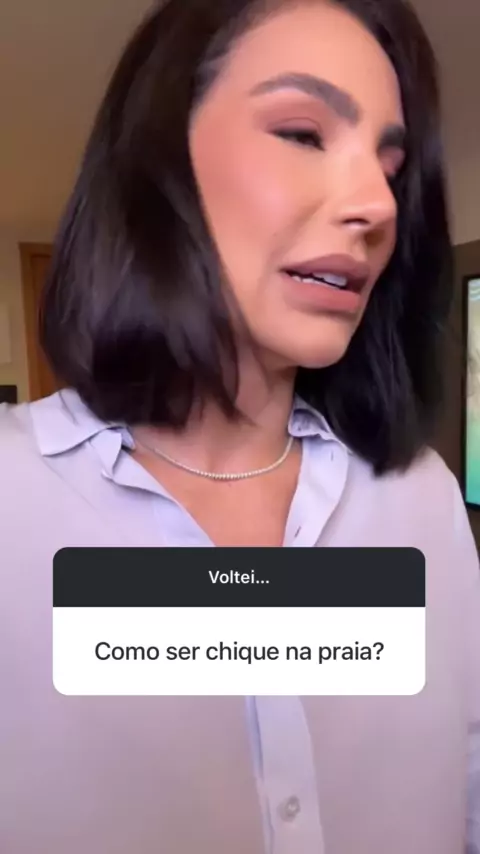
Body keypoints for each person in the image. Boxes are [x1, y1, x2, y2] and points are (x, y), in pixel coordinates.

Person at [0, 0, 479, 851]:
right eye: (301, 133)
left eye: (391, 168)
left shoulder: (421, 501)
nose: (376, 204)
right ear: (159, 159)